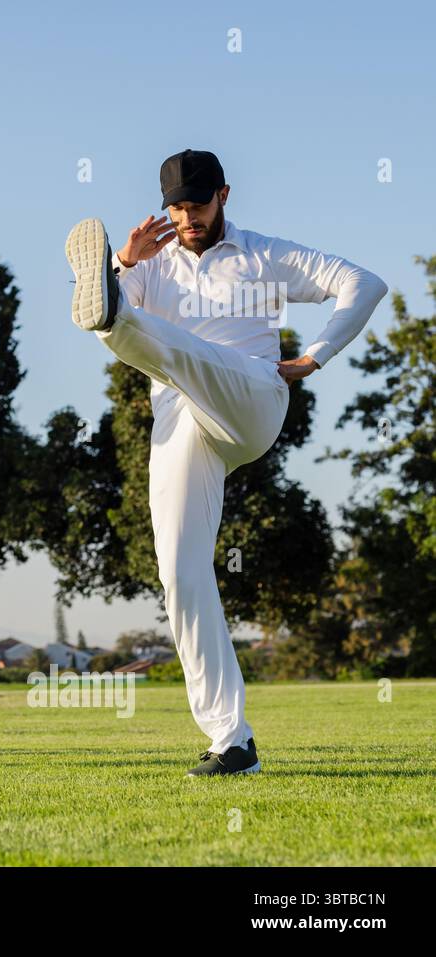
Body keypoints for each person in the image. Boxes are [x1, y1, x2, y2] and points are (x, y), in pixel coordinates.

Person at [64, 149, 388, 776]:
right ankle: (231, 741)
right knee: (180, 574)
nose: (188, 217)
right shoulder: (149, 263)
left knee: (167, 344)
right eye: (177, 207)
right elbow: (95, 306)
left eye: (199, 204)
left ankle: (115, 317)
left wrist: (315, 355)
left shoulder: (264, 255)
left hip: (253, 398)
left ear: (225, 196)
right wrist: (123, 264)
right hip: (183, 421)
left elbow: (364, 283)